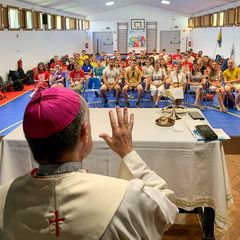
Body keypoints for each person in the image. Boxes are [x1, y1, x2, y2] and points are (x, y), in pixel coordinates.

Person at [0, 87, 178, 240]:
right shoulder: (126, 199)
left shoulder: (3, 199)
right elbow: (167, 207)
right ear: (85, 133)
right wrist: (128, 152)